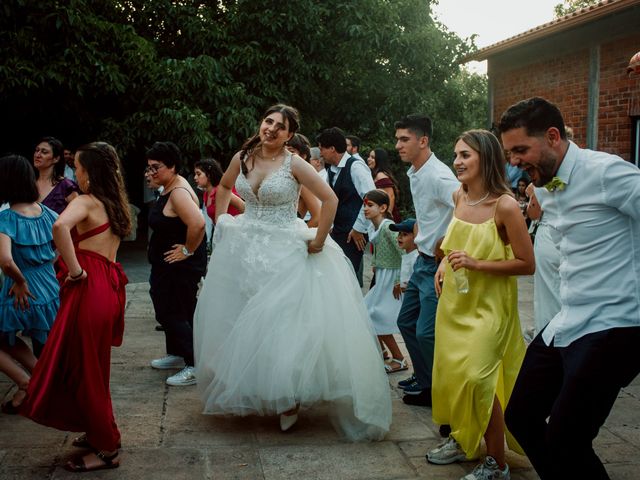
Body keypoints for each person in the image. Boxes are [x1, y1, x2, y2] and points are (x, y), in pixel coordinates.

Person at [193, 104, 391, 440]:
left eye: (280, 126)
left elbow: (329, 201)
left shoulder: (294, 164)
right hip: (245, 249)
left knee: (282, 323)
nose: (270, 128)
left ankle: (289, 398)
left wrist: (319, 239)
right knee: (242, 319)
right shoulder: (242, 157)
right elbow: (224, 187)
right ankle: (257, 386)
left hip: (285, 250)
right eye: (268, 121)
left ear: (289, 134)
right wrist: (222, 220)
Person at [499, 97, 640, 480]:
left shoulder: (608, 173)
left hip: (616, 323)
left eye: (520, 150)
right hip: (568, 317)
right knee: (521, 416)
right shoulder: (543, 187)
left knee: (567, 437)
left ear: (553, 136)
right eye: (510, 152)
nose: (514, 161)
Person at [426, 130, 534, 480]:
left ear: (486, 158)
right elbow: (452, 243)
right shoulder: (460, 195)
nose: (457, 161)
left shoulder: (505, 205)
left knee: (479, 378)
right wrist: (443, 264)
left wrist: (477, 264)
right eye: (456, 154)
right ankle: (463, 438)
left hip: (489, 307)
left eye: (465, 155)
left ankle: (497, 462)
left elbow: (526, 264)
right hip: (455, 302)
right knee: (455, 375)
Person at [20, 142, 131, 472]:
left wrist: (75, 270)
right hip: (108, 288)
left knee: (87, 372)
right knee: (92, 368)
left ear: (90, 173)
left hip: (90, 288)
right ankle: (99, 430)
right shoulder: (113, 204)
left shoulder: (85, 201)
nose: (75, 174)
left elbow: (58, 227)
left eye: (78, 169)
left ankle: (108, 448)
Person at [393, 114, 459, 406]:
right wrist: (421, 226)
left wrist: (449, 241)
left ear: (423, 141)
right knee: (405, 322)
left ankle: (440, 392)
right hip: (421, 262)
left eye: (404, 139)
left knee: (426, 332)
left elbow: (465, 204)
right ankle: (425, 379)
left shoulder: (439, 175)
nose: (398, 145)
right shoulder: (415, 171)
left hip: (436, 265)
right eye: (397, 139)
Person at [0, 154, 58, 411]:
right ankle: (42, 379)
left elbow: (5, 261)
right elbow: (63, 245)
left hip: (22, 288)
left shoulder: (7, 218)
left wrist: (21, 281)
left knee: (5, 339)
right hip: (48, 287)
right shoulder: (47, 213)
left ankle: (26, 383)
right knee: (8, 339)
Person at [146, 141, 207, 386]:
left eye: (156, 167)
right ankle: (178, 354)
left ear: (172, 167)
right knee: (175, 308)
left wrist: (186, 250)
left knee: (172, 311)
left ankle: (194, 364)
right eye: (148, 168)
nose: (150, 172)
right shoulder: (168, 186)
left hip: (178, 267)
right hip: (167, 265)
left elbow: (198, 223)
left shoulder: (178, 192)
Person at [317, 127, 375, 286]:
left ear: (332, 149)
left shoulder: (356, 166)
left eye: (322, 148)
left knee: (348, 278)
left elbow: (371, 197)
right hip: (337, 232)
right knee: (335, 278)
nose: (320, 153)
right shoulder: (331, 170)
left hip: (353, 235)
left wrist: (358, 228)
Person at [362, 190, 406, 374]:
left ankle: (399, 359)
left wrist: (399, 280)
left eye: (370, 205)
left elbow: (403, 252)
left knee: (376, 315)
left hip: (391, 278)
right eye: (365, 205)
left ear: (383, 208)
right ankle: (382, 351)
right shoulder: (375, 227)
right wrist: (375, 263)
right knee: (365, 312)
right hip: (382, 275)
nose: (365, 209)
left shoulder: (388, 227)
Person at [525, 183, 561, 335]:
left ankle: (547, 334)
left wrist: (533, 194)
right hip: (573, 234)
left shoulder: (544, 178)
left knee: (548, 294)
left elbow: (534, 213)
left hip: (550, 235)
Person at [33, 137, 79, 214]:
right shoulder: (29, 184)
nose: (37, 155)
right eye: (37, 150)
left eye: (44, 152)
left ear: (56, 159)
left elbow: (79, 216)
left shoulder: (66, 186)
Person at [194, 158, 244, 224]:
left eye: (198, 174)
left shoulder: (221, 191)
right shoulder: (206, 194)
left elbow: (243, 207)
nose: (195, 177)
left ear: (208, 175)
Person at [286, 133, 321, 226]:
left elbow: (318, 217)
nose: (286, 154)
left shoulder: (303, 181)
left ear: (303, 156)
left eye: (291, 151)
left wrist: (298, 236)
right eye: (283, 151)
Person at [367, 148, 401, 222]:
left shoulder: (381, 175)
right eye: (369, 156)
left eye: (372, 157)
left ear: (379, 160)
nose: (368, 159)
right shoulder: (375, 175)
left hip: (386, 217)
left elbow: (391, 196)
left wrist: (387, 218)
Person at [390, 218, 419, 296]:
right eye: (399, 233)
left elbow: (418, 280)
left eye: (405, 234)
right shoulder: (407, 255)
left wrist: (409, 286)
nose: (399, 237)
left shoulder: (416, 258)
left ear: (416, 236)